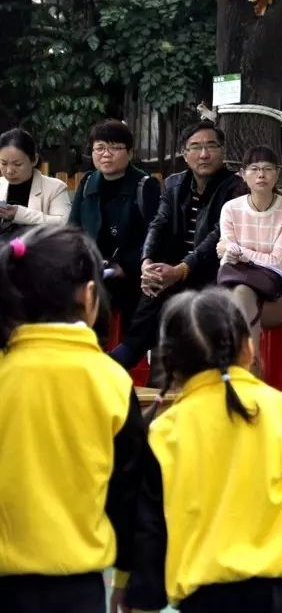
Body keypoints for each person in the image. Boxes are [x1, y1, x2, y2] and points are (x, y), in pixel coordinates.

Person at [125, 288, 282, 613]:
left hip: (204, 596)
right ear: (248, 349)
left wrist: (143, 599)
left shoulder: (163, 430)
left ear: (170, 362)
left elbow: (149, 528)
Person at [0, 226, 145, 613]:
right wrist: (129, 577)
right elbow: (128, 491)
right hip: (76, 587)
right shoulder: (110, 378)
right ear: (91, 295)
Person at [108, 119, 246, 370]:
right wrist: (147, 263)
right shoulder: (174, 184)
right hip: (176, 269)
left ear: (222, 151)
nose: (203, 154)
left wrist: (180, 270)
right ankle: (137, 356)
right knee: (155, 281)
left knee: (171, 288)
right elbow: (158, 224)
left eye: (211, 146)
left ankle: (132, 354)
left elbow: (217, 236)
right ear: (185, 153)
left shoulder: (235, 187)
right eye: (195, 147)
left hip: (216, 270)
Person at [70, 119, 162, 341]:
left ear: (130, 153)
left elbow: (155, 235)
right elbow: (73, 230)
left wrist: (127, 266)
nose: (106, 154)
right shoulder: (88, 182)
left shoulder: (145, 185)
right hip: (95, 270)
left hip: (133, 274)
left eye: (115, 147)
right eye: (99, 148)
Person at [216, 145, 282, 359]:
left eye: (268, 169)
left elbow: (276, 261)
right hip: (242, 284)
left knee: (237, 305)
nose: (261, 175)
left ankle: (245, 371)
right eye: (254, 169)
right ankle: (251, 367)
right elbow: (227, 259)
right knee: (241, 294)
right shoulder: (230, 208)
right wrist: (230, 253)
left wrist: (239, 252)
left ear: (277, 173)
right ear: (242, 174)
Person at [0, 127, 71, 235]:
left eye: (17, 164)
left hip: (40, 250)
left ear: (34, 160)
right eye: (4, 163)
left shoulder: (55, 188)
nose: (9, 171)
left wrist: (19, 214)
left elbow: (64, 224)